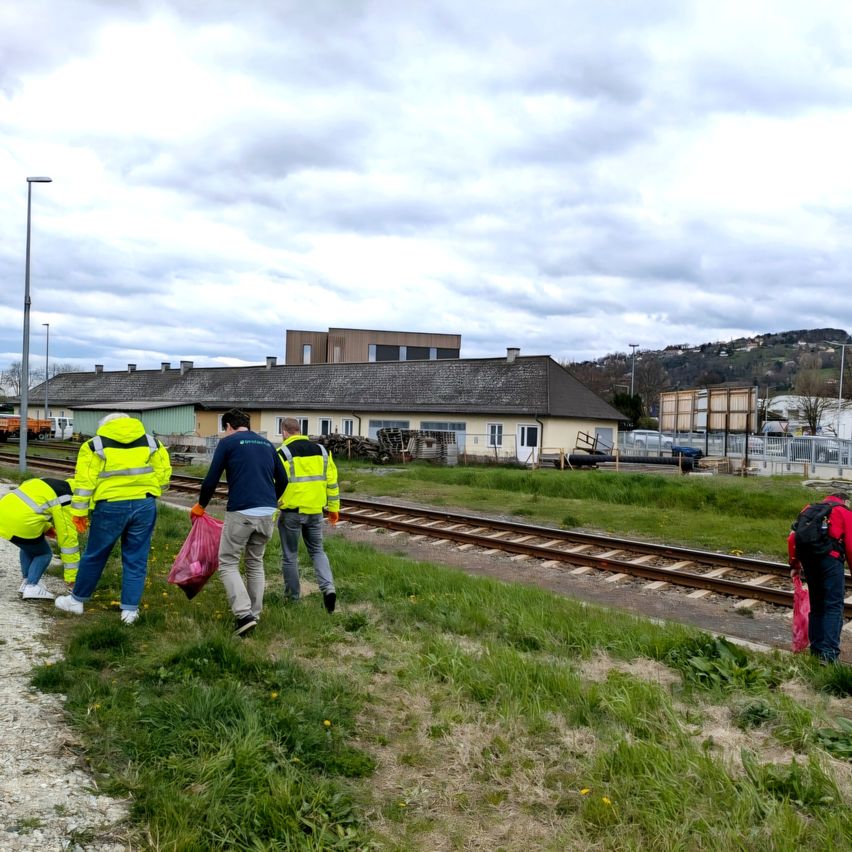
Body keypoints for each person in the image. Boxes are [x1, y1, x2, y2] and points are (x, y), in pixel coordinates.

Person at [55, 413, 172, 623]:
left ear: (105, 426)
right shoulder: (153, 443)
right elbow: (163, 475)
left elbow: (84, 483)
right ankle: (130, 611)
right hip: (144, 504)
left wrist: (79, 513)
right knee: (136, 557)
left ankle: (77, 601)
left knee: (95, 554)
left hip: (110, 505)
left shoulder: (93, 446)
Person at [192, 408, 286, 637]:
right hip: (267, 512)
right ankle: (255, 614)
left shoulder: (228, 443)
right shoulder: (267, 444)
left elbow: (211, 479)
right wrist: (271, 501)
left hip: (242, 511)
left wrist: (201, 505)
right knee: (255, 562)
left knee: (227, 562)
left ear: (228, 427)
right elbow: (283, 479)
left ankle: (243, 615)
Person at [276, 417, 340, 613]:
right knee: (318, 551)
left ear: (285, 432)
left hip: (291, 513)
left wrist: (270, 513)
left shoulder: (281, 453)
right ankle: (328, 589)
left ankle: (293, 598)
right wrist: (334, 508)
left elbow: (274, 485)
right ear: (300, 430)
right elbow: (332, 481)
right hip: (315, 511)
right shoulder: (322, 451)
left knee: (290, 556)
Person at [788, 491, 852, 664]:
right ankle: (829, 655)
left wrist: (795, 564)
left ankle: (816, 651)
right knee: (833, 605)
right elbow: (851, 545)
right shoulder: (843, 511)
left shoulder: (809, 508)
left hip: (810, 562)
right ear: (845, 500)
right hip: (830, 560)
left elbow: (793, 537)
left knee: (817, 606)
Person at [0, 477, 80, 600]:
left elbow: (32, 506)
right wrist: (72, 577)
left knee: (28, 546)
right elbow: (68, 539)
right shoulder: (66, 499)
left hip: (3, 515)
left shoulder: (46, 481)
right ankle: (32, 587)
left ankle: (27, 582)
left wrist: (47, 527)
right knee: (44, 553)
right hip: (21, 524)